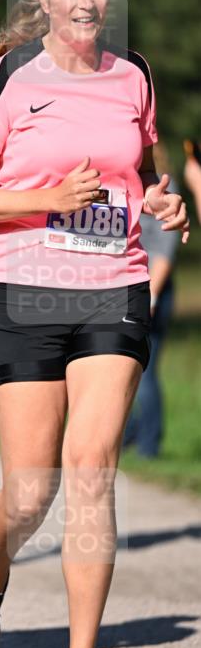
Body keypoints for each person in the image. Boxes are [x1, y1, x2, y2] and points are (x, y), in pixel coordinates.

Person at [0, 0, 189, 648]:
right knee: (29, 492)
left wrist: (162, 202)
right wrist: (43, 200)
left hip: (112, 286)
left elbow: (142, 176)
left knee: (91, 470)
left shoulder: (134, 77)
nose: (87, 2)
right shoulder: (8, 76)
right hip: (22, 290)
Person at [123, 144, 180, 457]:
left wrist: (152, 296)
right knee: (122, 370)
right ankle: (127, 435)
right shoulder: (122, 184)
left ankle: (149, 446)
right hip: (124, 284)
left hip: (151, 288)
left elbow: (164, 251)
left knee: (145, 371)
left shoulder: (162, 187)